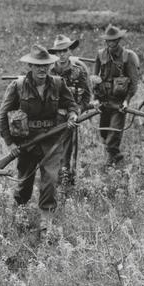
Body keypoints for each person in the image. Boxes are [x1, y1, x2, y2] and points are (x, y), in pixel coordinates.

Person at [0, 45, 78, 235]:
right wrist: (10, 144)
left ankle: (46, 221)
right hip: (27, 142)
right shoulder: (17, 86)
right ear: (30, 66)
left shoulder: (58, 84)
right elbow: (2, 116)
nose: (42, 70)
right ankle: (21, 213)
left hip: (52, 139)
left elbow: (71, 104)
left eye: (45, 66)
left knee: (50, 179)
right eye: (37, 66)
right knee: (24, 182)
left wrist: (73, 115)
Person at [92, 24, 139, 165]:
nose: (110, 43)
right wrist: (95, 99)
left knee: (113, 135)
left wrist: (127, 101)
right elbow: (95, 78)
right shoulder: (100, 54)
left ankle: (114, 162)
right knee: (104, 133)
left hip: (118, 103)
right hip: (104, 101)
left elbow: (134, 82)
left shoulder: (127, 56)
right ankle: (115, 158)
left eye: (113, 40)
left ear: (118, 40)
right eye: (108, 40)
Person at [47, 34, 91, 184]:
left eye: (64, 51)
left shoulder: (79, 71)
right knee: (52, 149)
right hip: (52, 118)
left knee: (69, 150)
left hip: (72, 117)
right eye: (58, 52)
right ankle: (52, 179)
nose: (61, 55)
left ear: (70, 51)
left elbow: (86, 97)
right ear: (55, 54)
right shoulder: (49, 72)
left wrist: (76, 113)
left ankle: (68, 180)